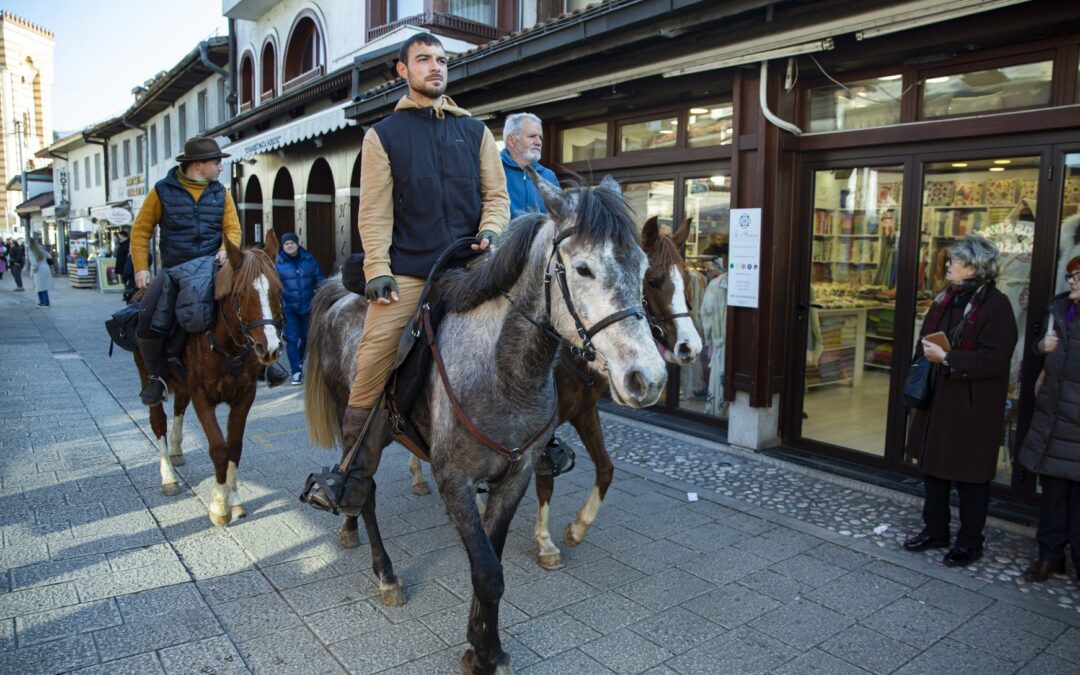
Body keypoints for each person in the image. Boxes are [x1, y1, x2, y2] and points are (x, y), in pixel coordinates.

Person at [308, 31, 509, 506]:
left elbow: (496, 199)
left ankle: (535, 440)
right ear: (403, 71)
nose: (435, 67)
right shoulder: (382, 135)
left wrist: (493, 231)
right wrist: (377, 267)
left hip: (471, 267)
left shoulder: (477, 131)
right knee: (375, 351)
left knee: (526, 327)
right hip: (410, 271)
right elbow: (374, 212)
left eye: (441, 60)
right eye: (423, 60)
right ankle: (351, 470)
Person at [131, 136, 289, 406]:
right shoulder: (162, 191)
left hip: (212, 266)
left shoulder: (221, 192)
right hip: (174, 269)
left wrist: (225, 251)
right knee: (146, 314)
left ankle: (264, 364)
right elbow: (141, 230)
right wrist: (141, 269)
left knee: (248, 303)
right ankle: (156, 377)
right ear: (198, 165)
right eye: (216, 163)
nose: (219, 168)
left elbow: (232, 228)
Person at [903, 235, 1017, 567]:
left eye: (954, 261)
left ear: (973, 267)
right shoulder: (945, 299)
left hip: (971, 405)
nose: (948, 265)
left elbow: (995, 359)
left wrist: (950, 358)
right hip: (937, 398)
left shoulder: (996, 305)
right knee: (933, 471)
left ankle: (970, 541)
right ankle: (935, 529)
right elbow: (927, 339)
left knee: (970, 477)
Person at [1016, 255, 1080, 582]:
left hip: (1075, 418)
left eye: (1078, 276)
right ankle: (1050, 556)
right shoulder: (1059, 309)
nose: (1072, 281)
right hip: (1054, 418)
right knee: (1053, 494)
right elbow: (1041, 352)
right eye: (1070, 275)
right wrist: (1042, 346)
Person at [276, 232, 324, 385]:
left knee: (306, 338)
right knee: (291, 340)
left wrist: (323, 294)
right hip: (289, 308)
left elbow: (320, 280)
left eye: (292, 243)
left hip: (307, 307)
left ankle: (300, 361)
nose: (289, 245)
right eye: (286, 244)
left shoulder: (309, 259)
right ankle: (296, 371)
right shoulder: (278, 263)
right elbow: (274, 286)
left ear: (297, 244)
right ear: (283, 246)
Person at [500, 112, 559, 219]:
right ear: (511, 140)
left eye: (540, 137)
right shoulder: (492, 170)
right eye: (532, 136)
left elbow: (559, 217)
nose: (539, 142)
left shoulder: (549, 176)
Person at [27, 239, 52, 307]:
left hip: (38, 270)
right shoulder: (41, 248)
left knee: (39, 287)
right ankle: (45, 302)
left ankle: (43, 302)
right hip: (45, 268)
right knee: (43, 286)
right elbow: (49, 256)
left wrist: (33, 271)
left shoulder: (31, 251)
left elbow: (34, 263)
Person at [114, 228, 131, 299]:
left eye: (120, 235)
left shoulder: (128, 243)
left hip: (125, 264)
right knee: (123, 280)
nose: (118, 237)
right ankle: (126, 293)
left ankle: (127, 293)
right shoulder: (121, 243)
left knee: (126, 279)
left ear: (123, 236)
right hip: (121, 264)